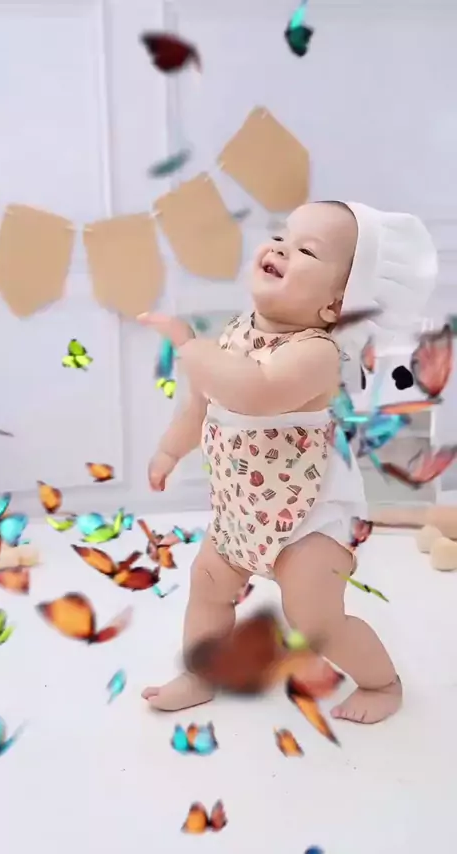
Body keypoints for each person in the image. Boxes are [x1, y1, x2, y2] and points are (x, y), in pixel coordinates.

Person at [139, 200, 437, 722]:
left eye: (306, 251)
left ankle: (382, 684)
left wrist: (190, 347)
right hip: (242, 509)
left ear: (334, 305)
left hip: (309, 518)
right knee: (207, 585)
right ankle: (200, 673)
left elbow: (255, 392)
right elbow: (203, 404)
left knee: (313, 618)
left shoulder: (316, 353)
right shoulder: (236, 333)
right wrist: (169, 450)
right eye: (281, 236)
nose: (280, 249)